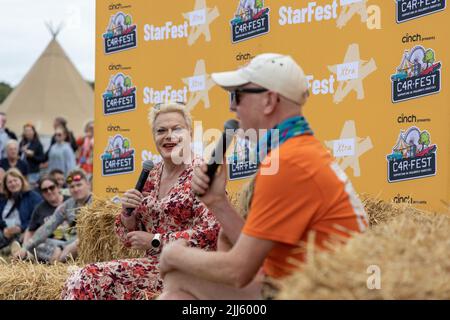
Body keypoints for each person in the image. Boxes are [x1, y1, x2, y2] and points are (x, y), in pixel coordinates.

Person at [157, 53, 369, 300]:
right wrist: (217, 201)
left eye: (237, 95)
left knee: (177, 278)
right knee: (178, 283)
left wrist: (173, 254)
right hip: (306, 287)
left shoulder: (290, 162)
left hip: (321, 293)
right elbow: (259, 256)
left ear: (269, 101)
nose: (231, 106)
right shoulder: (295, 152)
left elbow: (238, 270)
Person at [61, 102, 220, 300]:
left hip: (189, 271)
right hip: (154, 266)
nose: (168, 136)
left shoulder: (203, 174)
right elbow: (125, 237)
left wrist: (155, 241)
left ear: (190, 134)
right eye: (161, 130)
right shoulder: (152, 174)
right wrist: (128, 215)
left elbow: (210, 235)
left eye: (176, 129)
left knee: (86, 278)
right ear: (154, 137)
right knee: (76, 278)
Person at [15, 169, 92, 262]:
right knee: (35, 244)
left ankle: (58, 260)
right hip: (65, 244)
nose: (75, 189)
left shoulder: (97, 202)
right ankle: (58, 258)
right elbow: (47, 227)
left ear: (88, 184)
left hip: (86, 245)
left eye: (79, 185)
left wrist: (67, 248)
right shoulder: (66, 205)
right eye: (72, 187)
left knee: (77, 244)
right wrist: (25, 247)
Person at [11, 176, 69, 262]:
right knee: (36, 244)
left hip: (69, 241)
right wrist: (25, 247)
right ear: (42, 193)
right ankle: (26, 254)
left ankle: (30, 257)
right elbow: (30, 229)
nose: (49, 191)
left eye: (51, 188)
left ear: (58, 187)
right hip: (50, 244)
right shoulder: (40, 208)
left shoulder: (70, 202)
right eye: (45, 190)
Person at [0, 168, 42, 250]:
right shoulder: (3, 199)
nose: (13, 184)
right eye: (10, 182)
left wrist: (21, 228)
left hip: (24, 232)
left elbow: (38, 218)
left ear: (21, 180)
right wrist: (4, 228)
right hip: (5, 232)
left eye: (15, 180)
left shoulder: (32, 196)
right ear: (6, 185)